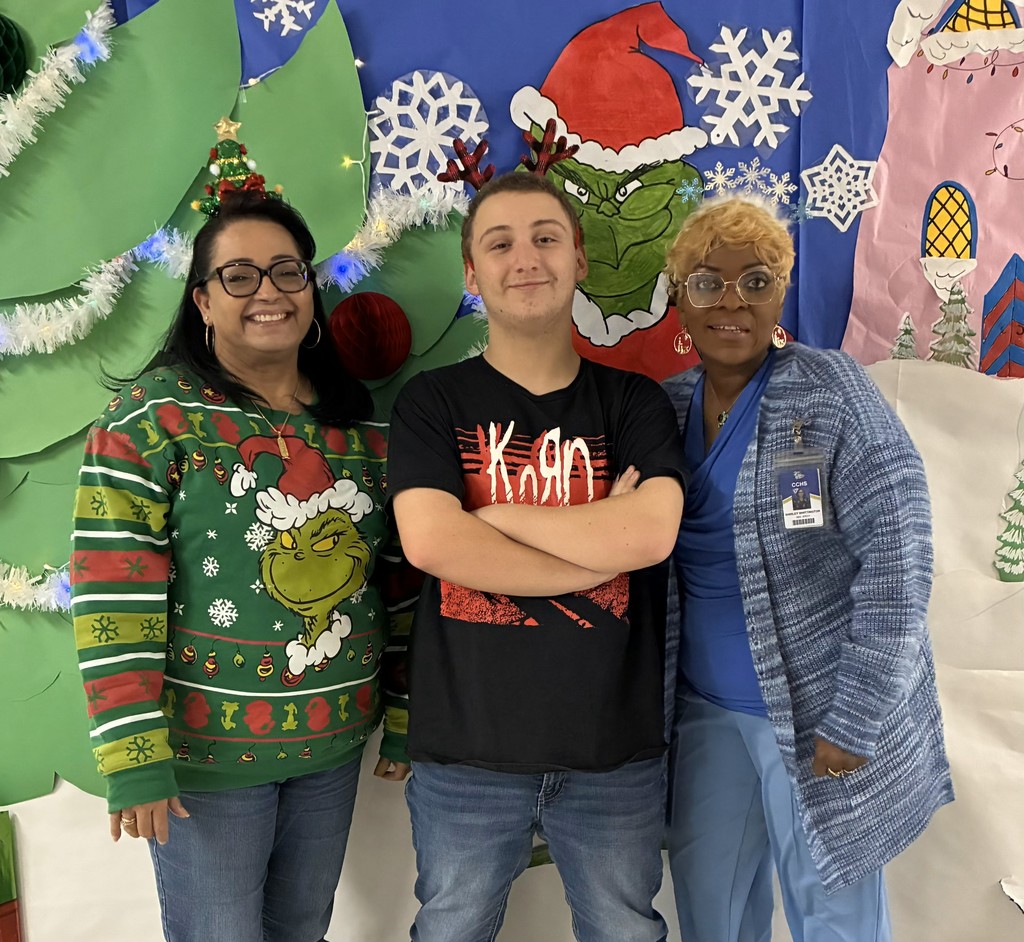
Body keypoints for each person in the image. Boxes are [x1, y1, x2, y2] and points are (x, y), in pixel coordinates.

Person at [69, 191, 414, 942]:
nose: (268, 292)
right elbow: (110, 592)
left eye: (287, 271)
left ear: (311, 291)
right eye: (239, 276)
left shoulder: (362, 427)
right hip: (205, 760)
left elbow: (397, 581)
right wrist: (133, 757)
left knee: (303, 930)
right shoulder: (152, 418)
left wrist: (403, 709)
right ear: (202, 299)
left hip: (333, 746)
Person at [386, 171, 686, 942]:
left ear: (579, 259)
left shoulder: (635, 402)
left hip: (613, 754)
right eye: (501, 244)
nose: (526, 259)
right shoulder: (433, 403)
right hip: (466, 755)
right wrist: (596, 554)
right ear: (471, 272)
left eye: (546, 239)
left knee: (628, 933)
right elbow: (432, 542)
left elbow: (649, 535)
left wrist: (497, 518)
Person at [661, 193, 954, 942]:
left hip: (819, 715)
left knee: (836, 923)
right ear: (678, 298)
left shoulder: (831, 393)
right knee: (710, 914)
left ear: (782, 293)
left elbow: (899, 565)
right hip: (704, 715)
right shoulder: (662, 410)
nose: (732, 301)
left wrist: (857, 717)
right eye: (708, 282)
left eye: (756, 281)